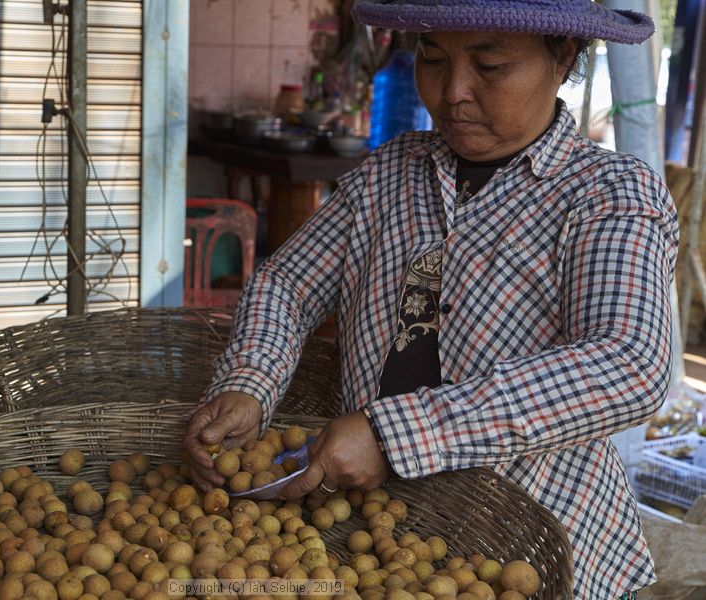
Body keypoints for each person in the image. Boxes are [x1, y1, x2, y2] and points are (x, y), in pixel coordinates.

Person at [184, 0, 678, 597]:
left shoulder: (610, 195)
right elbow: (287, 283)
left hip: (535, 541)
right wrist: (249, 382)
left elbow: (629, 364)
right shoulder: (390, 173)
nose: (452, 93)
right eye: (433, 58)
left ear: (562, 57)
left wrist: (395, 434)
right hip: (383, 533)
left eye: (490, 66)